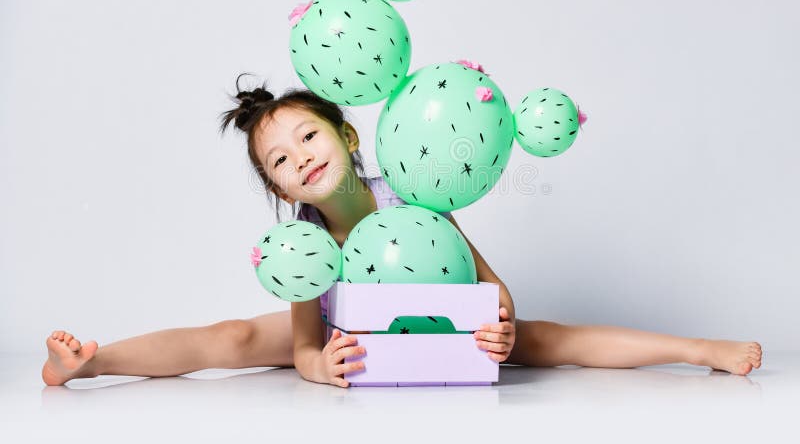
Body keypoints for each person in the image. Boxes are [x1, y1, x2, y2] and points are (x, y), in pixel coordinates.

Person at [42, 77, 763, 388]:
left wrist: (501, 322)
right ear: (280, 189)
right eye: (281, 162)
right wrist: (316, 365)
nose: (301, 158)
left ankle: (698, 349)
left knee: (547, 341)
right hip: (347, 334)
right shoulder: (308, 240)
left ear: (347, 134)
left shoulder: (412, 194)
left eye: (307, 137)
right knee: (231, 337)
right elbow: (300, 339)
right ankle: (91, 365)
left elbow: (488, 282)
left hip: (440, 323)